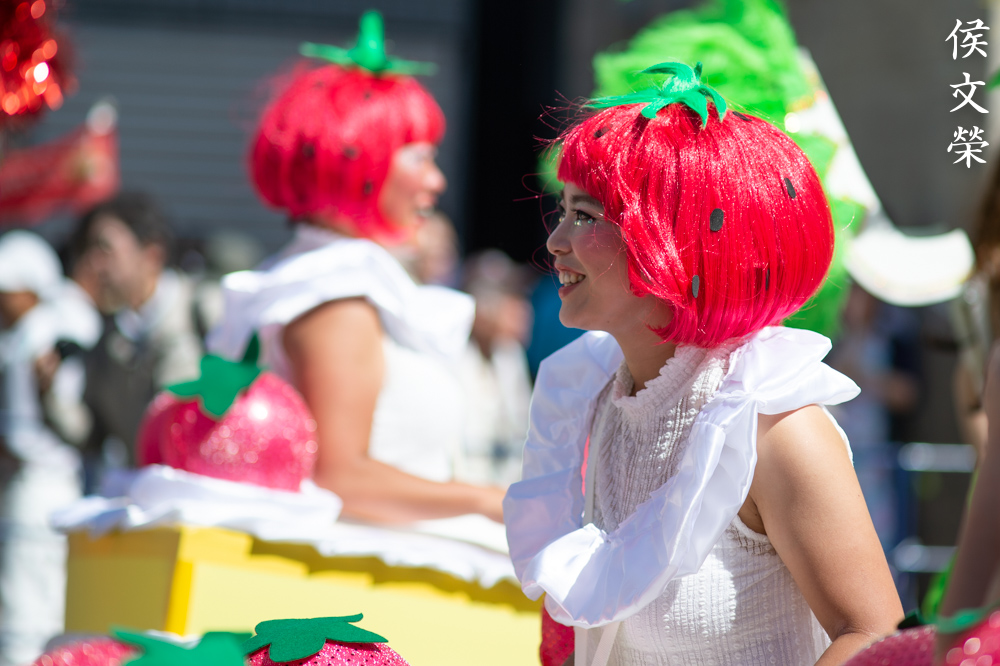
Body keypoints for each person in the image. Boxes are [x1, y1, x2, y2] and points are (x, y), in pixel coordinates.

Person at [503, 62, 902, 665]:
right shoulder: (599, 393)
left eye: (585, 216)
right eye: (563, 212)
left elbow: (873, 634)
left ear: (671, 241)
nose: (556, 241)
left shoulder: (775, 426)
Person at [207, 12, 504, 524]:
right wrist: (492, 501)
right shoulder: (336, 299)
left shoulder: (315, 279)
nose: (436, 181)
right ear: (359, 162)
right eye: (420, 158)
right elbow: (340, 478)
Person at [0, 231, 99, 666]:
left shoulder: (48, 327)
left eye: (9, 290)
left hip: (43, 481)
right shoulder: (45, 325)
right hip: (46, 482)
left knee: (28, 616)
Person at [71, 192, 202, 481]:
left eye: (105, 249)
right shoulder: (107, 340)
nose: (94, 264)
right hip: (143, 496)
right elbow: (90, 435)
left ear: (152, 253)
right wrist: (50, 390)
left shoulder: (202, 309)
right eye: (90, 250)